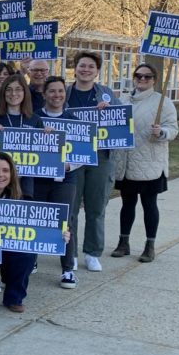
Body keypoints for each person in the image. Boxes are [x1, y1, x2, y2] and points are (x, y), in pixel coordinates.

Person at [0, 152, 58, 313]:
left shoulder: (21, 200)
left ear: (12, 174)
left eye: (5, 170)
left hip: (7, 251)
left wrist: (60, 235)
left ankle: (13, 297)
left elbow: (40, 230)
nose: (0, 175)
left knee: (26, 254)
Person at [111, 63, 179, 263]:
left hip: (150, 163)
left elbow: (173, 129)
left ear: (154, 80)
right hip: (126, 162)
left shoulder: (162, 103)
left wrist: (162, 132)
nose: (142, 79)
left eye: (147, 77)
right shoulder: (123, 100)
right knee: (127, 204)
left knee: (149, 204)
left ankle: (149, 246)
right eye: (138, 75)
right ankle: (123, 243)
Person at [66, 51, 120, 272]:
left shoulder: (106, 94)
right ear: (75, 68)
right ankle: (71, 253)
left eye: (90, 67)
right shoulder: (66, 93)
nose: (85, 70)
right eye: (82, 65)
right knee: (71, 207)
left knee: (96, 206)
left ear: (97, 71)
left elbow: (121, 123)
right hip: (73, 155)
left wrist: (108, 113)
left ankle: (92, 252)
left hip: (100, 156)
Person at [35, 75, 81, 289]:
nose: (57, 95)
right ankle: (31, 260)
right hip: (37, 179)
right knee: (34, 219)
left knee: (65, 221)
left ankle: (68, 269)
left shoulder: (74, 120)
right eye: (52, 91)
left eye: (61, 91)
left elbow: (85, 153)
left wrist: (69, 165)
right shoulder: (35, 118)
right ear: (44, 94)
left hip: (65, 179)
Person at [0, 74, 40, 197]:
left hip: (25, 182)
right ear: (3, 93)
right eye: (9, 89)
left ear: (25, 92)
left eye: (18, 89)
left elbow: (45, 156)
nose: (13, 94)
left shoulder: (35, 120)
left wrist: (49, 135)